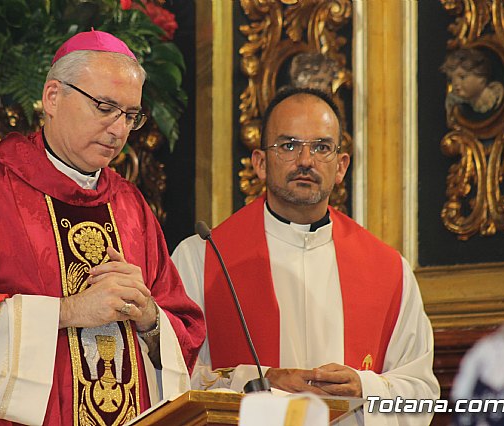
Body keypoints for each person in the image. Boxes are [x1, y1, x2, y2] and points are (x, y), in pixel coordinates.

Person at [0, 30, 205, 426]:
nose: (119, 130)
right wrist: (69, 310)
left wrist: (150, 319)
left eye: (130, 115)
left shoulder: (132, 208)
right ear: (53, 97)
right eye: (105, 107)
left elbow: (184, 328)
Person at [172, 87, 440, 425]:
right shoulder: (203, 258)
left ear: (341, 166)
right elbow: (175, 379)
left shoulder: (389, 271)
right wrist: (263, 382)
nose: (305, 161)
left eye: (322, 147)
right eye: (288, 146)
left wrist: (365, 387)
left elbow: (422, 396)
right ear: (260, 163)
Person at [440, 47, 504, 114]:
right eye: (451, 79)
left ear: (481, 78)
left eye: (462, 77)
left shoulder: (495, 95)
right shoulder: (459, 103)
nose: (455, 83)